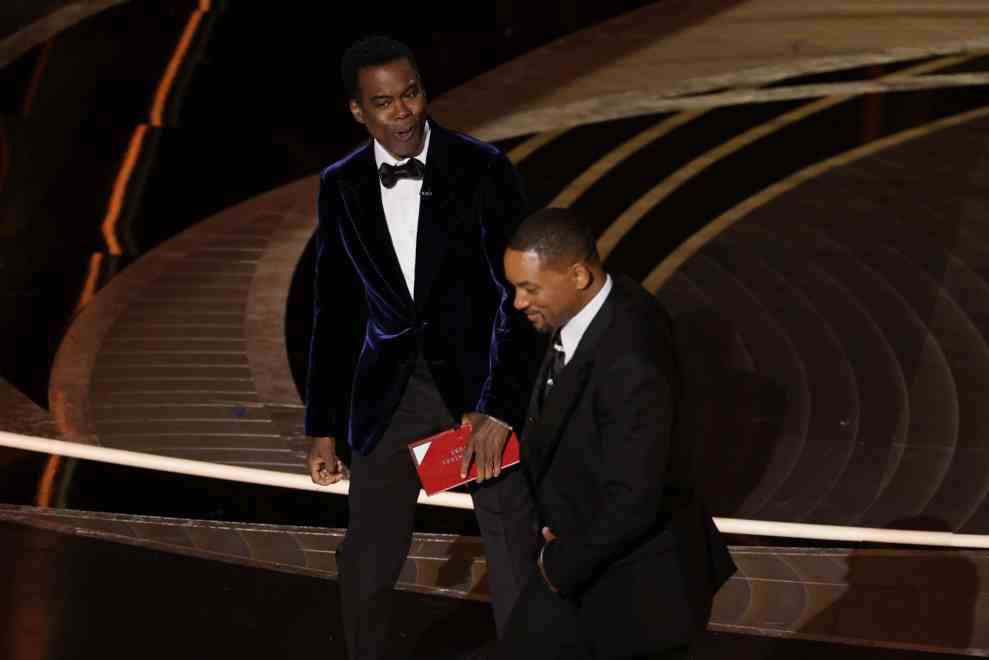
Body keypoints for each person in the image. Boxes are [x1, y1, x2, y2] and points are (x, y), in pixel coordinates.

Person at [303, 36, 543, 659]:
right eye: (384, 102)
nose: (403, 111)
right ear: (359, 112)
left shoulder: (483, 168)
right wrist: (324, 424)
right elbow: (336, 310)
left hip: (476, 396)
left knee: (510, 534)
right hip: (390, 396)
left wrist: (500, 405)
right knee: (369, 550)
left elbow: (520, 300)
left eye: (411, 93)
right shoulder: (341, 185)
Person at [496, 207, 736, 659]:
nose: (518, 303)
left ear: (579, 275)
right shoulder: (599, 308)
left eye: (529, 288)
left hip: (635, 589)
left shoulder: (631, 358)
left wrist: (558, 564)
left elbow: (634, 498)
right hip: (590, 563)